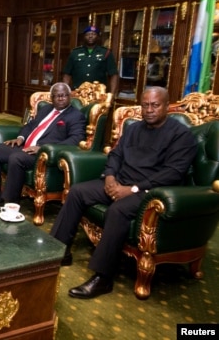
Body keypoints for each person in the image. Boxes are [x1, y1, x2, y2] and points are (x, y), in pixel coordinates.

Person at [50, 87, 197, 299]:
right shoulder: (134, 128)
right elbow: (116, 155)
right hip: (120, 182)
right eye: (145, 105)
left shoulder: (181, 135)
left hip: (151, 191)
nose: (149, 110)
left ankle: (103, 278)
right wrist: (110, 177)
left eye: (155, 105)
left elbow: (173, 173)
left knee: (117, 211)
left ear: (167, 106)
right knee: (78, 192)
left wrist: (133, 189)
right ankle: (59, 251)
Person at [0, 82, 86, 206]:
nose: (61, 98)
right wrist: (20, 138)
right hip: (25, 147)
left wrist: (43, 148)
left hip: (43, 154)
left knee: (16, 158)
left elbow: (75, 140)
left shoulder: (76, 116)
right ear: (52, 98)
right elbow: (30, 125)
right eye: (57, 95)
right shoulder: (46, 109)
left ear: (70, 97)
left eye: (64, 95)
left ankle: (9, 201)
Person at [62, 25, 118, 96]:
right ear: (84, 37)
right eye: (87, 34)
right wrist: (66, 92)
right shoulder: (75, 53)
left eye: (93, 34)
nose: (90, 36)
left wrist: (112, 94)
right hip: (77, 93)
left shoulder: (106, 52)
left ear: (98, 37)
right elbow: (67, 74)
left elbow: (113, 75)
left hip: (98, 94)